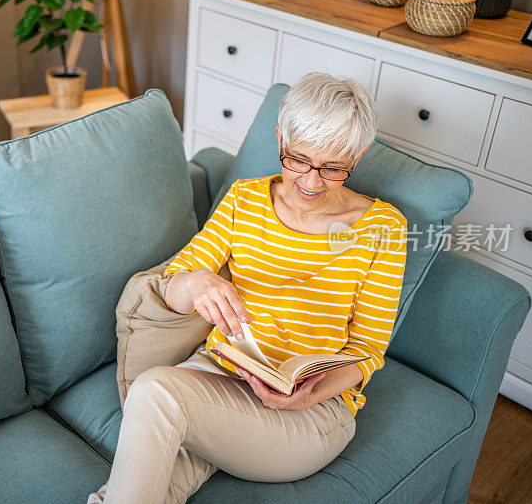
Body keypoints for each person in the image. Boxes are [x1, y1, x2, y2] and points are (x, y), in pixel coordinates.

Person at [88, 72, 408, 504]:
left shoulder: (383, 228)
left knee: (156, 393)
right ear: (280, 139)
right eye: (297, 160)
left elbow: (367, 351)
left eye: (333, 168)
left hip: (312, 411)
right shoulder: (244, 201)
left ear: (358, 156)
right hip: (219, 377)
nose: (312, 184)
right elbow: (169, 287)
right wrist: (197, 281)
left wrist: (309, 392)